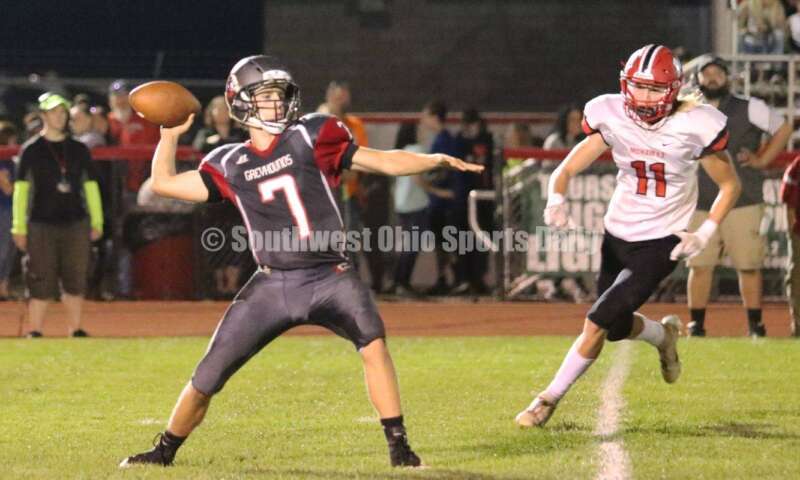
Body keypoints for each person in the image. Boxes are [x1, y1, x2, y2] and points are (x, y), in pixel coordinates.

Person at [120, 55, 482, 468]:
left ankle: (399, 446)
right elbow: (164, 183)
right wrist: (168, 136)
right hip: (273, 283)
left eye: (279, 95)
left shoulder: (311, 135)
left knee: (374, 344)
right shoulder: (230, 162)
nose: (278, 104)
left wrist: (431, 160)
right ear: (242, 103)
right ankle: (163, 451)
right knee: (208, 374)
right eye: (266, 96)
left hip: (331, 273)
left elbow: (381, 160)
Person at [514, 45, 740, 428]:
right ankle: (663, 337)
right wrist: (556, 196)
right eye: (637, 87)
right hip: (617, 232)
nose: (644, 97)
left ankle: (546, 400)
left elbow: (730, 185)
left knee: (598, 318)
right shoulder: (611, 113)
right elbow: (566, 168)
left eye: (654, 89)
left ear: (673, 90)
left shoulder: (697, 123)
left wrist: (705, 230)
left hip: (663, 239)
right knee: (617, 328)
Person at [687, 57, 792, 337]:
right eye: (705, 73)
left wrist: (762, 159)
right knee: (699, 266)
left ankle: (755, 326)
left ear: (728, 78)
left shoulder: (750, 107)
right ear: (697, 79)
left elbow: (784, 128)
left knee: (748, 266)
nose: (712, 78)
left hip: (743, 200)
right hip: (700, 201)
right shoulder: (687, 110)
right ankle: (696, 325)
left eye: (717, 73)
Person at [11, 93, 104, 337]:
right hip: (40, 222)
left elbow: (90, 187)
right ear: (43, 115)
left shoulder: (79, 149)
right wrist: (18, 226)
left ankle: (76, 329)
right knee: (39, 276)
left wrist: (97, 220)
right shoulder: (30, 150)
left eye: (63, 112)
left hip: (76, 221)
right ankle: (35, 330)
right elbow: (21, 191)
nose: (60, 117)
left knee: (76, 276)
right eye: (54, 112)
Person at [420, 100, 460, 294]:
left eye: (426, 115)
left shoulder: (443, 139)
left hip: (443, 201)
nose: (423, 119)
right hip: (441, 199)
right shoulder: (442, 138)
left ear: (435, 117)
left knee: (445, 243)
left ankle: (454, 278)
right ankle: (445, 278)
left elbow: (444, 169)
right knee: (443, 243)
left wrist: (430, 183)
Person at [392, 122, 429, 296]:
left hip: (401, 203)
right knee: (412, 245)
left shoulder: (400, 151)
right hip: (416, 203)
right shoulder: (418, 149)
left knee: (407, 244)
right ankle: (402, 282)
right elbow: (417, 179)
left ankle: (399, 281)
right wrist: (436, 191)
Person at [780, 156, 800, 337]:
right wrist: (792, 233)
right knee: (797, 277)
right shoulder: (798, 165)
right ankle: (799, 326)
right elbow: (790, 201)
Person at [0, 121, 18, 300]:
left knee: (10, 249)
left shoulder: (9, 159)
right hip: (4, 208)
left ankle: (3, 287)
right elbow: (8, 188)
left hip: (10, 208)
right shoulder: (3, 159)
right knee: (4, 249)